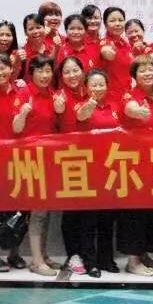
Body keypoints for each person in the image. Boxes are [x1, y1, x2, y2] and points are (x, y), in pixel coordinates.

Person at [119, 55, 153, 276]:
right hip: (135, 165)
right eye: (142, 70)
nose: (148, 73)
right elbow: (129, 108)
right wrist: (137, 111)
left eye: (151, 69)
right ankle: (133, 261)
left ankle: (144, 254)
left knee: (152, 213)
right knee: (135, 213)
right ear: (134, 75)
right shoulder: (130, 95)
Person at [13, 55, 62, 276]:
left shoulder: (53, 94)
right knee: (37, 212)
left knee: (45, 211)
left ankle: (43, 254)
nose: (44, 75)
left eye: (48, 71)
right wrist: (23, 113)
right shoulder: (24, 93)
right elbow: (16, 128)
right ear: (31, 73)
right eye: (40, 71)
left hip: (49, 159)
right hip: (30, 160)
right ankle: (36, 261)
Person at [0, 53, 28, 273]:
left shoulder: (22, 90)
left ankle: (14, 252)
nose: (0, 73)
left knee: (21, 207)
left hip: (21, 156)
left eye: (4, 68)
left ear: (11, 69)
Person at [75, 69, 122, 276]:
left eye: (101, 84)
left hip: (111, 167)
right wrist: (92, 102)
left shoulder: (115, 105)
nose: (98, 88)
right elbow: (81, 115)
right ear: (85, 87)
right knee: (89, 219)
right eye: (93, 85)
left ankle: (106, 259)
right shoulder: (81, 104)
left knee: (108, 218)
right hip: (89, 168)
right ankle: (90, 261)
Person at [56, 56, 94, 275]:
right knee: (71, 210)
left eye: (75, 70)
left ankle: (88, 254)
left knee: (88, 210)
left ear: (83, 70)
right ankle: (73, 255)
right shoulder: (60, 96)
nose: (72, 75)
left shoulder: (89, 90)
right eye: (67, 72)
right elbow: (77, 114)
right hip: (69, 158)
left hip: (92, 157)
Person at [99, 6, 134, 98]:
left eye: (120, 20)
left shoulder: (126, 44)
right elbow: (106, 52)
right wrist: (107, 52)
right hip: (109, 97)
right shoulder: (103, 43)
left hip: (127, 95)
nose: (117, 24)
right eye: (112, 21)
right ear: (105, 25)